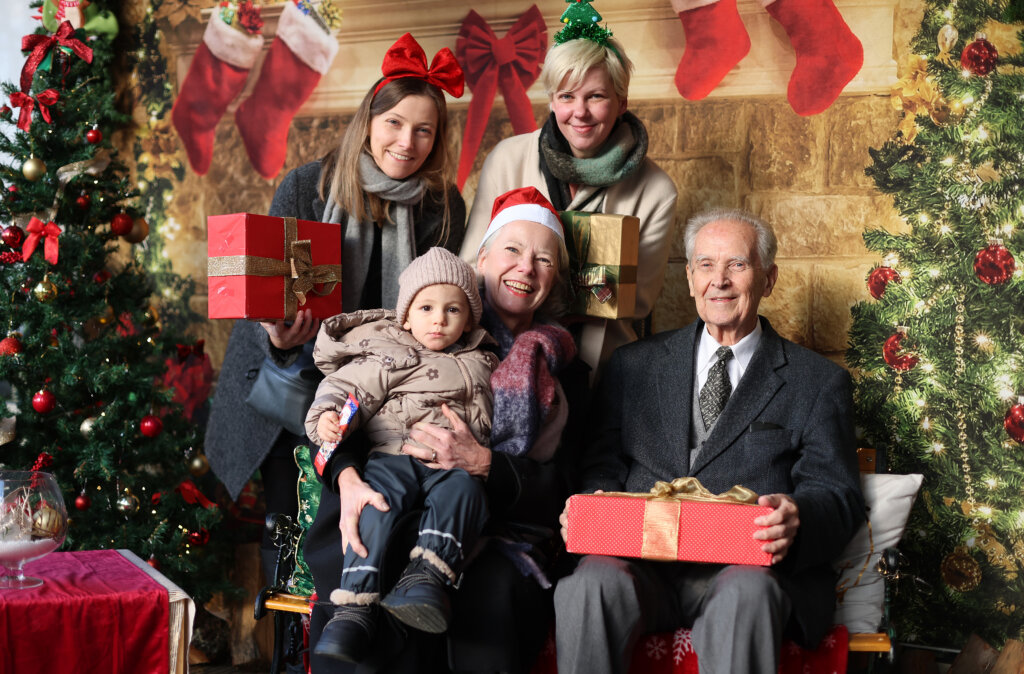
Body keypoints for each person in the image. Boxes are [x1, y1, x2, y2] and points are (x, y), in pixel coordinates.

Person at [204, 32, 467, 586]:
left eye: (424, 129)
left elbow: (446, 305)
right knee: (293, 559)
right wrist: (279, 339)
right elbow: (266, 298)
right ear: (368, 121)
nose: (407, 141)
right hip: (297, 385)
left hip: (388, 399)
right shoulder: (308, 187)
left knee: (371, 544)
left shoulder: (442, 208)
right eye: (394, 122)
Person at [553, 209, 865, 674]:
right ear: (690, 279)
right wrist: (594, 508)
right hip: (641, 564)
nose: (719, 280)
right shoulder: (631, 366)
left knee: (748, 593)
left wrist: (797, 518)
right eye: (705, 265)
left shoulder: (817, 383)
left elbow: (838, 496)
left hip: (744, 572)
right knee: (587, 584)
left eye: (737, 265)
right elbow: (600, 466)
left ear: (769, 279)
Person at [307, 186, 586, 673]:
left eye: (543, 259)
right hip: (377, 488)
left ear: (555, 278)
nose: (526, 268)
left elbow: (565, 485)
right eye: (513, 250)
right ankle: (355, 615)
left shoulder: (564, 367)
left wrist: (485, 463)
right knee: (374, 541)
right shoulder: (408, 327)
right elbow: (343, 407)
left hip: (484, 520)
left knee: (484, 588)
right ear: (482, 257)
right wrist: (347, 477)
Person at [305, 247, 499, 663]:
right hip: (395, 453)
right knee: (377, 503)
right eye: (426, 307)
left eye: (453, 309)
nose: (439, 319)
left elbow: (501, 420)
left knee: (466, 493)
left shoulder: (483, 360)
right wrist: (328, 418)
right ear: (406, 316)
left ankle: (427, 576)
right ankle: (352, 610)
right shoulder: (392, 352)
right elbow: (350, 388)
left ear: (469, 319)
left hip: (449, 464)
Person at [460, 22, 678, 382]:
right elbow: (474, 264)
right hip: (499, 353)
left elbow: (638, 300)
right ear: (551, 100)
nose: (580, 112)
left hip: (600, 368)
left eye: (596, 96)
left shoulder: (656, 190)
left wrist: (535, 280)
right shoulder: (507, 159)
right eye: (566, 97)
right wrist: (581, 281)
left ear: (621, 101)